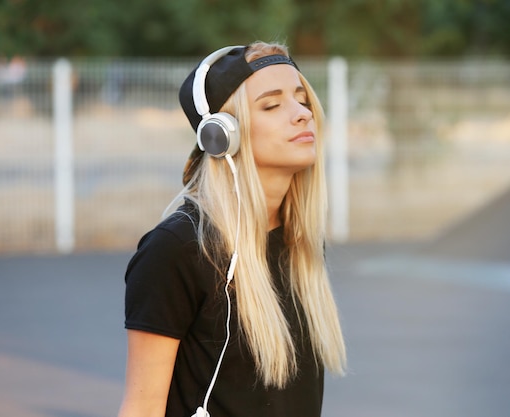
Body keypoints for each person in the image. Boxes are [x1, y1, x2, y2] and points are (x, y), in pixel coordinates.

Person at [117, 41, 347, 417]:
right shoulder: (177, 249)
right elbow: (142, 407)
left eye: (302, 98)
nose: (302, 113)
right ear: (222, 135)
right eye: (272, 105)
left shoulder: (299, 241)